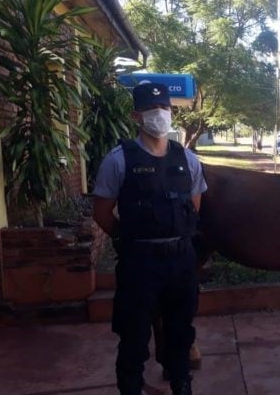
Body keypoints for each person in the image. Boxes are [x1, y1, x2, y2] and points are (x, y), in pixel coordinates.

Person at [92, 82, 208, 395]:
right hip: (139, 263)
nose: (160, 114)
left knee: (181, 331)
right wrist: (127, 238)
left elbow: (192, 206)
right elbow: (102, 212)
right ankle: (130, 388)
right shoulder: (118, 160)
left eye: (166, 108)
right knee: (134, 333)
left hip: (180, 260)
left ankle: (182, 384)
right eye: (151, 109)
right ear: (136, 116)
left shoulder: (188, 160)